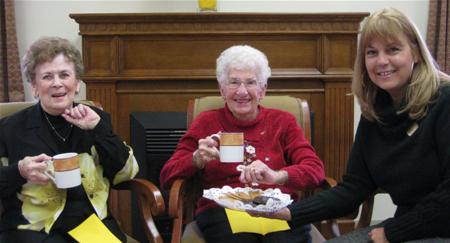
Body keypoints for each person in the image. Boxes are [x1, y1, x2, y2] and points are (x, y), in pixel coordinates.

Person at [252, 8, 450, 243]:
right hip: (409, 227)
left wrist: (393, 232)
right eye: (372, 52)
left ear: (415, 53)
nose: (382, 61)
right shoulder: (374, 114)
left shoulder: (444, 101)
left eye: (393, 49)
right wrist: (288, 213)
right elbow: (354, 189)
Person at [160, 45, 325, 243]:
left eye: (251, 83)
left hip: (276, 208)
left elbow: (315, 171)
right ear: (222, 89)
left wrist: (277, 176)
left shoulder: (283, 121)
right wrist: (195, 159)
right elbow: (167, 175)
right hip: (223, 211)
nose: (242, 91)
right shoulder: (206, 122)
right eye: (234, 82)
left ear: (263, 90)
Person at [0, 37, 139, 242]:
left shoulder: (96, 119)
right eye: (47, 76)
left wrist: (99, 130)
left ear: (77, 83)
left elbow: (126, 173)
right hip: (35, 230)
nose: (57, 83)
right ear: (34, 86)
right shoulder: (10, 128)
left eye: (64, 75)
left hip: (91, 226)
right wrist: (19, 171)